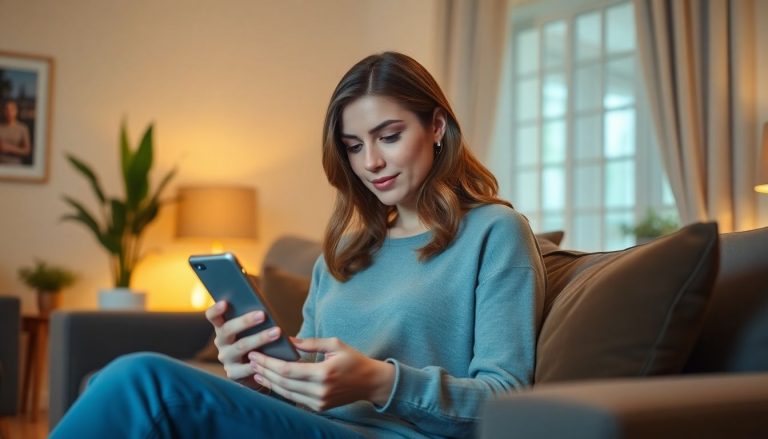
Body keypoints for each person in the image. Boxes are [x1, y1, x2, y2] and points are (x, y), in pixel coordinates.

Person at [50, 51, 545, 438]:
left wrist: (378, 381)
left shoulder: (494, 233)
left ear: (436, 126)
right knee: (110, 382)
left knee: (143, 380)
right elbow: (303, 387)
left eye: (389, 136)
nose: (370, 162)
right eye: (354, 146)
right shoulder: (345, 254)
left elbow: (505, 402)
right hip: (312, 427)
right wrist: (257, 375)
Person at [0, 100, 32, 165]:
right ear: (4, 111)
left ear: (16, 111)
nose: (9, 112)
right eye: (6, 109)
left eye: (12, 109)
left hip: (15, 164)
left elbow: (27, 151)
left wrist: (9, 148)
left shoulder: (22, 128)